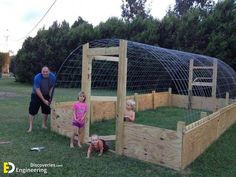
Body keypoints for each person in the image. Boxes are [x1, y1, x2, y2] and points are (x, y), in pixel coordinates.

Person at [27, 66, 56, 133]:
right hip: (36, 94)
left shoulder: (53, 77)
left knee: (46, 110)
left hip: (46, 94)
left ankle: (44, 124)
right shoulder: (37, 77)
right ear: (41, 72)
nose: (45, 73)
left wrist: (50, 98)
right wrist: (43, 100)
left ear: (49, 71)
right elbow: (37, 90)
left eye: (46, 72)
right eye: (43, 72)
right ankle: (30, 127)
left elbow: (52, 88)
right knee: (32, 110)